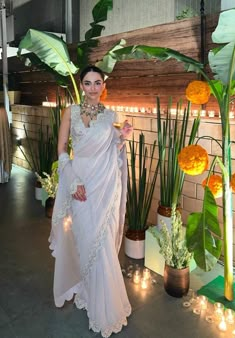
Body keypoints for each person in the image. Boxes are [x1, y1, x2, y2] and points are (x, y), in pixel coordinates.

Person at [49, 65, 133, 337]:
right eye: (88, 83)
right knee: (84, 239)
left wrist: (124, 136)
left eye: (98, 83)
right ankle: (86, 289)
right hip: (79, 185)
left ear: (103, 85)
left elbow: (113, 147)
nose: (93, 88)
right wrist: (72, 180)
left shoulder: (111, 116)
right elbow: (62, 149)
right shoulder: (70, 113)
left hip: (104, 185)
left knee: (103, 243)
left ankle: (103, 306)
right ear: (82, 85)